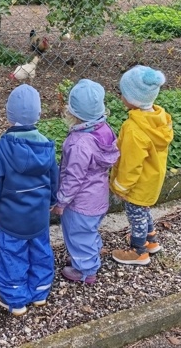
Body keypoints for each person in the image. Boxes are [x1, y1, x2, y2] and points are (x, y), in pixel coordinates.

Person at [0, 84, 59, 316]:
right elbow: (54, 177)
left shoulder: (2, 148)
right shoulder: (46, 146)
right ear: (39, 114)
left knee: (12, 255)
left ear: (8, 115)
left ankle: (15, 298)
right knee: (41, 250)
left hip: (11, 219)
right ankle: (40, 291)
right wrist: (52, 201)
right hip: (39, 218)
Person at [53, 79, 119, 284]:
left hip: (80, 203)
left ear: (73, 113)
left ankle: (86, 270)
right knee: (88, 231)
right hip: (98, 196)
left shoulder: (78, 144)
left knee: (78, 234)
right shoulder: (104, 130)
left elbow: (73, 178)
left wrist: (61, 202)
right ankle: (90, 252)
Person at [109, 65, 174, 266]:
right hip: (152, 178)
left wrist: (121, 186)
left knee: (135, 213)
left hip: (137, 183)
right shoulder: (160, 117)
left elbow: (131, 164)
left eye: (123, 93)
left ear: (132, 98)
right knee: (143, 210)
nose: (121, 96)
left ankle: (138, 251)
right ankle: (151, 240)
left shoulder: (133, 128)